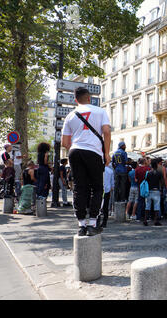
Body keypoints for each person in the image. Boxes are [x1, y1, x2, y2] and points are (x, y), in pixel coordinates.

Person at [62, 87, 111, 236]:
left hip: (75, 151)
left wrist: (76, 148)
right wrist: (106, 153)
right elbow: (107, 132)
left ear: (76, 100)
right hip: (93, 152)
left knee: (79, 187)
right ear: (89, 98)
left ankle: (81, 224)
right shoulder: (100, 111)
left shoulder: (70, 115)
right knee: (97, 187)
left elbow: (65, 142)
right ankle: (93, 223)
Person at [144, 159, 163, 227]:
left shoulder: (148, 173)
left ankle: (145, 220)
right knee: (156, 206)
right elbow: (161, 182)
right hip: (156, 190)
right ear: (157, 166)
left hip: (149, 190)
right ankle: (156, 220)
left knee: (147, 206)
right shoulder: (159, 173)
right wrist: (161, 190)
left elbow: (146, 181)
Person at [100, 163, 114, 228]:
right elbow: (112, 183)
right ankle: (104, 222)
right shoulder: (110, 171)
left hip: (99, 190)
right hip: (107, 190)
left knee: (98, 207)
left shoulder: (97, 170)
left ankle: (97, 221)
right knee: (106, 207)